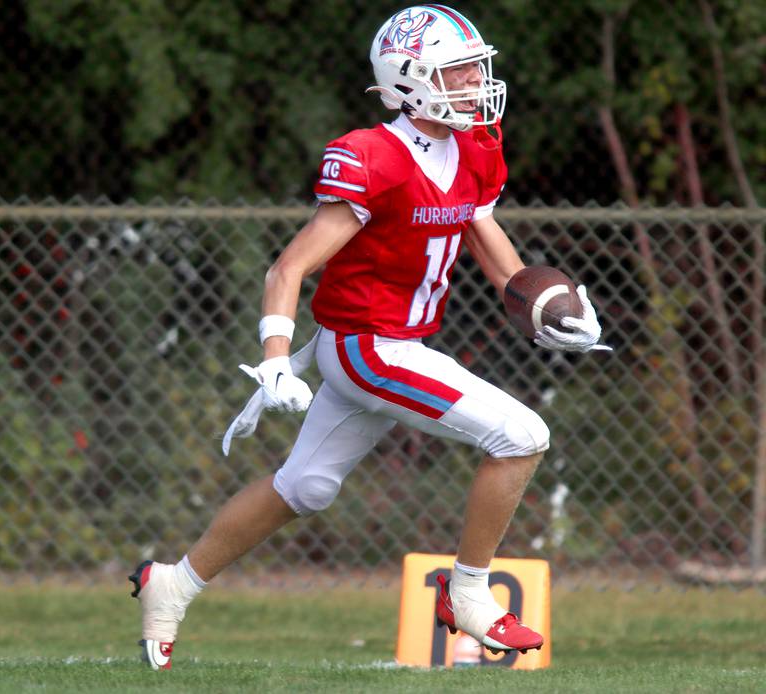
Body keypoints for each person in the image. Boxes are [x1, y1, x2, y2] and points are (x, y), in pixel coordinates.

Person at [129, 4, 609, 670]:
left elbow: (480, 231)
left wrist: (542, 311)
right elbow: (289, 266)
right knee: (522, 436)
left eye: (476, 68)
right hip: (366, 347)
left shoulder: (472, 144)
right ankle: (467, 593)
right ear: (411, 79)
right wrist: (274, 360)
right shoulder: (371, 157)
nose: (476, 82)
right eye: (459, 70)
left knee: (305, 488)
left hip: (395, 344)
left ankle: (171, 583)